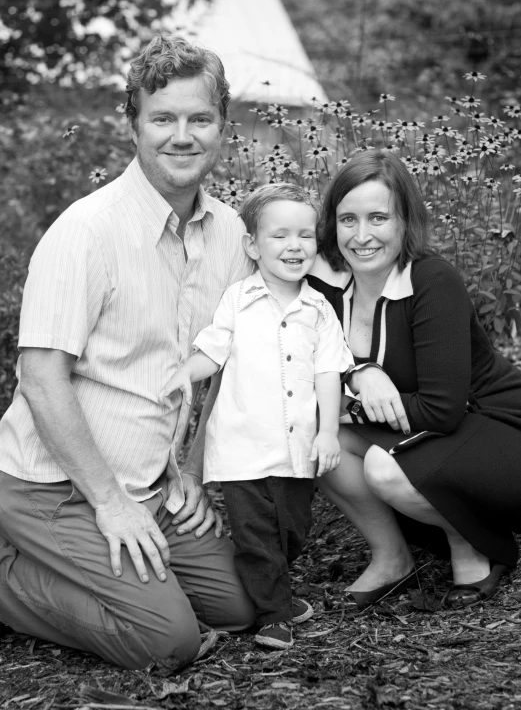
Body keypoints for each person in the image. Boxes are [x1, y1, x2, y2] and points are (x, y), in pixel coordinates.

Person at [0, 35, 258, 669]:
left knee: (242, 604)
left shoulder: (228, 233)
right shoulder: (87, 232)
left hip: (154, 483)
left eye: (200, 118)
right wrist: (110, 504)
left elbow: (222, 362)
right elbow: (40, 378)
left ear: (223, 123)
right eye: (162, 118)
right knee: (166, 641)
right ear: (133, 123)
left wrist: (192, 470)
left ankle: (107, 562)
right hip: (53, 484)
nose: (182, 135)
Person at [307, 149, 521, 610]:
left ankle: (477, 545)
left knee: (382, 466)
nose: (361, 236)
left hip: (492, 431)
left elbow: (442, 410)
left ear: (406, 221)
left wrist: (350, 404)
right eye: (348, 219)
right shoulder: (324, 284)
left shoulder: (430, 280)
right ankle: (392, 558)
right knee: (319, 440)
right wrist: (361, 374)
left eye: (378, 218)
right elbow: (297, 364)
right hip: (427, 431)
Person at [165, 184, 353, 649]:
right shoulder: (237, 299)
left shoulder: (319, 310)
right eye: (280, 236)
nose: (295, 246)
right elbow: (212, 349)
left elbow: (329, 371)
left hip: (296, 446)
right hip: (243, 446)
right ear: (252, 245)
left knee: (293, 530)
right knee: (255, 535)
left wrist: (328, 431)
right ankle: (273, 616)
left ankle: (277, 592)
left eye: (305, 236)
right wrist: (183, 374)